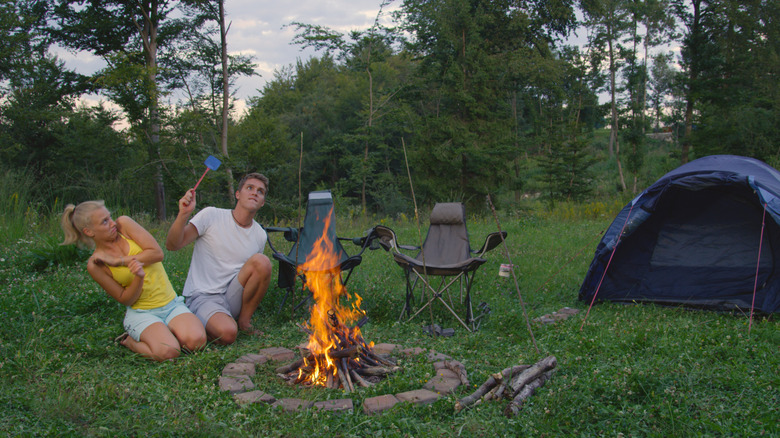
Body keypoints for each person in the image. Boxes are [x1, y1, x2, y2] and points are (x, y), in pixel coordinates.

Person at [61, 201, 207, 362]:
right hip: (142, 313)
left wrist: (120, 261)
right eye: (104, 221)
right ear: (89, 231)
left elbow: (157, 254)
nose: (112, 223)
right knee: (169, 352)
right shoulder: (95, 264)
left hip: (171, 304)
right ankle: (131, 341)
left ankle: (164, 332)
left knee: (196, 342)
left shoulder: (124, 225)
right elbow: (125, 298)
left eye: (109, 217)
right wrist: (138, 277)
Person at [166, 173, 272, 345]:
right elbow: (173, 245)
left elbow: (255, 276)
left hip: (232, 296)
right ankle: (193, 325)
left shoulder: (260, 234)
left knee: (262, 262)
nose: (255, 193)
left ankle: (244, 322)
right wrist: (183, 215)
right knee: (228, 333)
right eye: (250, 188)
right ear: (238, 194)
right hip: (204, 295)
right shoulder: (211, 215)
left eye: (260, 192)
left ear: (262, 202)